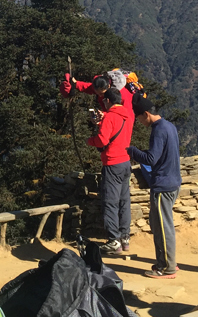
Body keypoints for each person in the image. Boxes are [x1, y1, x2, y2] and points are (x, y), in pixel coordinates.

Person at [127, 94, 181, 278]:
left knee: (162, 227)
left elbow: (151, 158)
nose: (140, 122)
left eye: (139, 118)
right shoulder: (169, 126)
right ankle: (165, 261)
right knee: (163, 225)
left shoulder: (158, 130)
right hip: (173, 181)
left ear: (146, 114)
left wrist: (133, 151)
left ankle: (167, 268)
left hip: (162, 185)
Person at [86, 87, 135, 255]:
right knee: (124, 201)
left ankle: (114, 240)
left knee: (110, 202)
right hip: (126, 162)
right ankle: (124, 237)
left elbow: (101, 140)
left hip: (112, 163)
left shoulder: (110, 118)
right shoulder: (128, 115)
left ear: (107, 101)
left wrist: (90, 140)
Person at [61, 69, 134, 110]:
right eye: (98, 93)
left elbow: (127, 115)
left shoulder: (122, 95)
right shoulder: (101, 85)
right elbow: (89, 87)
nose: (100, 96)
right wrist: (76, 84)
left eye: (102, 94)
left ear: (108, 86)